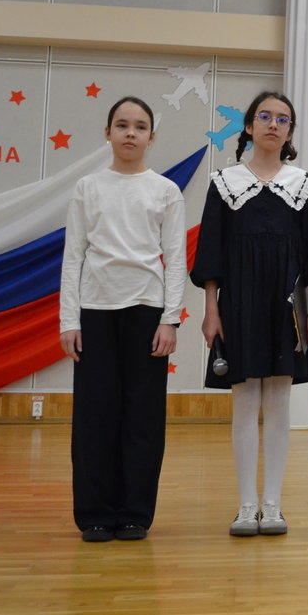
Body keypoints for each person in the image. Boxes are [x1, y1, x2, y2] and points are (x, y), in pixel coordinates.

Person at [192, 90, 308, 537]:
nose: (274, 124)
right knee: (245, 399)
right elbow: (210, 253)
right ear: (249, 126)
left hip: (287, 306)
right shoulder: (224, 183)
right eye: (265, 116)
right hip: (239, 302)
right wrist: (211, 311)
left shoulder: (303, 184)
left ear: (290, 131)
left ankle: (272, 503)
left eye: (283, 119)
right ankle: (245, 504)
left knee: (279, 400)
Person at [60, 96, 187, 543]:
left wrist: (170, 319)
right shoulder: (87, 187)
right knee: (95, 416)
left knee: (142, 418)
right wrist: (69, 320)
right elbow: (73, 255)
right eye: (122, 125)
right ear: (108, 133)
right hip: (95, 312)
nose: (130, 133)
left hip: (147, 313)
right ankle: (95, 514)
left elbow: (175, 257)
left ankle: (135, 513)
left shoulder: (165, 191)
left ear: (152, 137)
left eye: (140, 126)